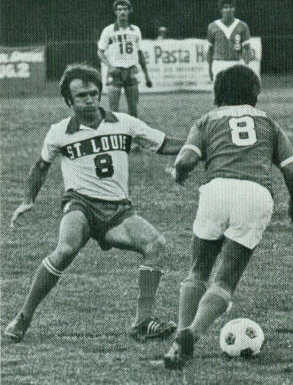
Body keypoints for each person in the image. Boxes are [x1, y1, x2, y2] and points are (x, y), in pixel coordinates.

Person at [4, 63, 184, 343]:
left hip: (119, 210)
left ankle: (142, 321)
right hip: (80, 204)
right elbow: (41, 167)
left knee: (156, 244)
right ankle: (23, 317)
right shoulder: (59, 131)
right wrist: (28, 200)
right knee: (65, 249)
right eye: (81, 96)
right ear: (68, 101)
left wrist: (200, 145)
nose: (89, 99)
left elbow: (164, 144)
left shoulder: (125, 123)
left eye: (93, 93)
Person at [164, 65, 293, 369]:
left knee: (198, 271)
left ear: (217, 92)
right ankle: (192, 333)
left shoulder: (205, 120)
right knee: (225, 279)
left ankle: (181, 336)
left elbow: (186, 159)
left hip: (216, 191)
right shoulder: (268, 123)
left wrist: (179, 173)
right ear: (255, 93)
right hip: (254, 194)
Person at [97, 0, 152, 118]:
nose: (122, 12)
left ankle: (132, 134)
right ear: (115, 12)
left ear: (129, 11)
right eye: (119, 9)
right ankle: (115, 133)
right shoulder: (108, 30)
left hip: (130, 70)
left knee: (133, 109)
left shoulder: (135, 30)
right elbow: (100, 52)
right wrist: (110, 67)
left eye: (125, 9)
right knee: (113, 109)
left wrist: (147, 77)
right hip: (115, 71)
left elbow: (140, 53)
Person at [207, 0, 252, 84]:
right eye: (225, 7)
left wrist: (246, 66)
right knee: (220, 95)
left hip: (236, 63)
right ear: (221, 10)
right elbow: (210, 50)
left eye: (231, 7)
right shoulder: (212, 26)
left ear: (234, 9)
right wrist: (209, 69)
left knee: (237, 94)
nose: (228, 10)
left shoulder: (242, 26)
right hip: (219, 63)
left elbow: (247, 48)